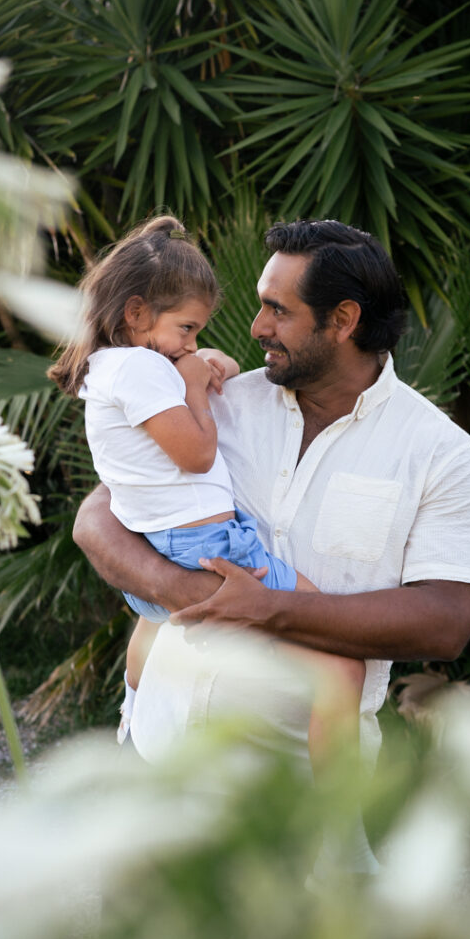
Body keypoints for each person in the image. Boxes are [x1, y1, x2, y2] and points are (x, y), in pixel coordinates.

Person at [73, 218, 470, 875]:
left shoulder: (441, 455)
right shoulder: (220, 401)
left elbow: (444, 621)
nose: (254, 328)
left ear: (343, 320)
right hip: (159, 774)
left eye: (277, 309)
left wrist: (265, 608)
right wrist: (193, 594)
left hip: (303, 818)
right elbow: (98, 518)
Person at [47, 214, 366, 777]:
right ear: (137, 313)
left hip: (165, 537)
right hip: (207, 539)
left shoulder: (113, 367)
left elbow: (193, 378)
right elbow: (195, 454)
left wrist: (193, 361)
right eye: (188, 329)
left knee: (156, 622)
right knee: (339, 657)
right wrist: (194, 382)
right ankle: (344, 829)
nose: (192, 344)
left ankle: (132, 721)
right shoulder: (147, 371)